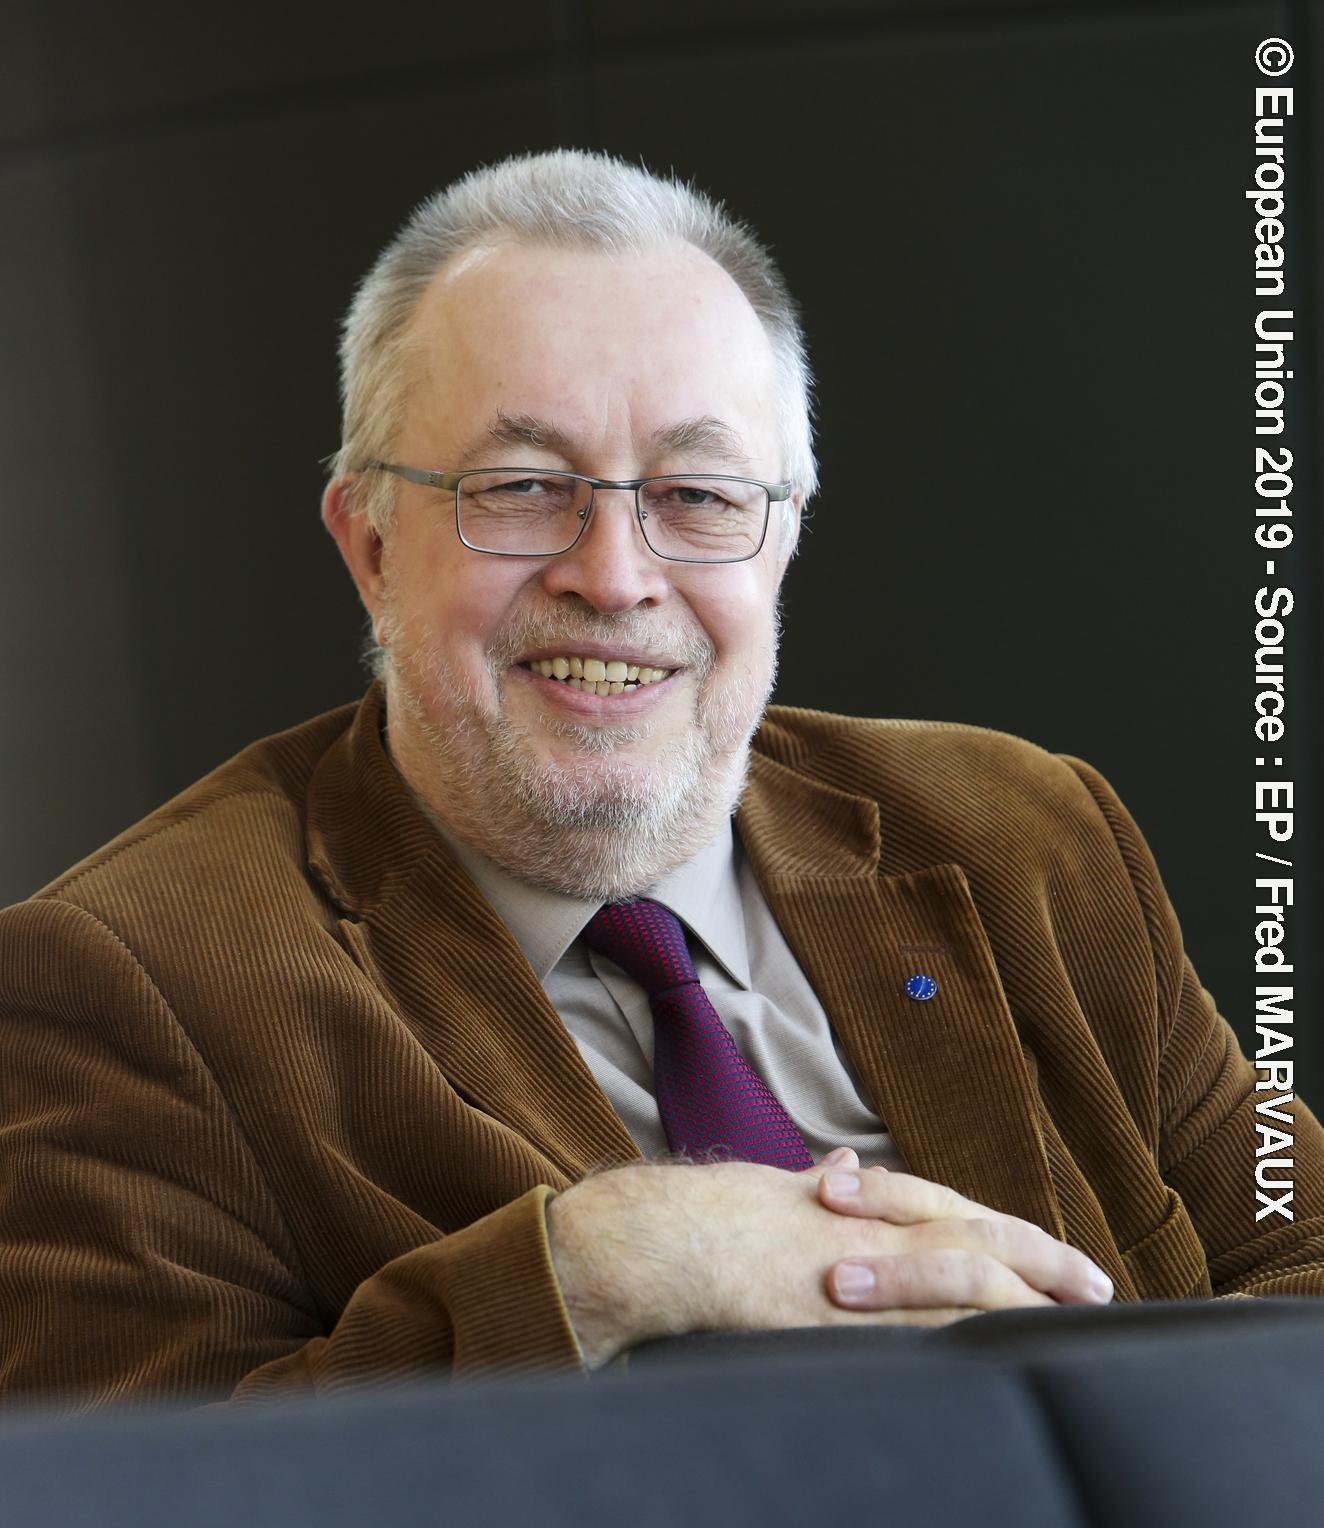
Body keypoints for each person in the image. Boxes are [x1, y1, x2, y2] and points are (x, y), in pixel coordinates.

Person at [1, 150, 1320, 1411]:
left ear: (783, 537)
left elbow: (1298, 1276)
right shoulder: (125, 984)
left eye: (696, 495)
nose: (616, 574)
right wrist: (598, 1272)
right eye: (520, 487)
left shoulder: (1026, 835)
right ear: (373, 545)